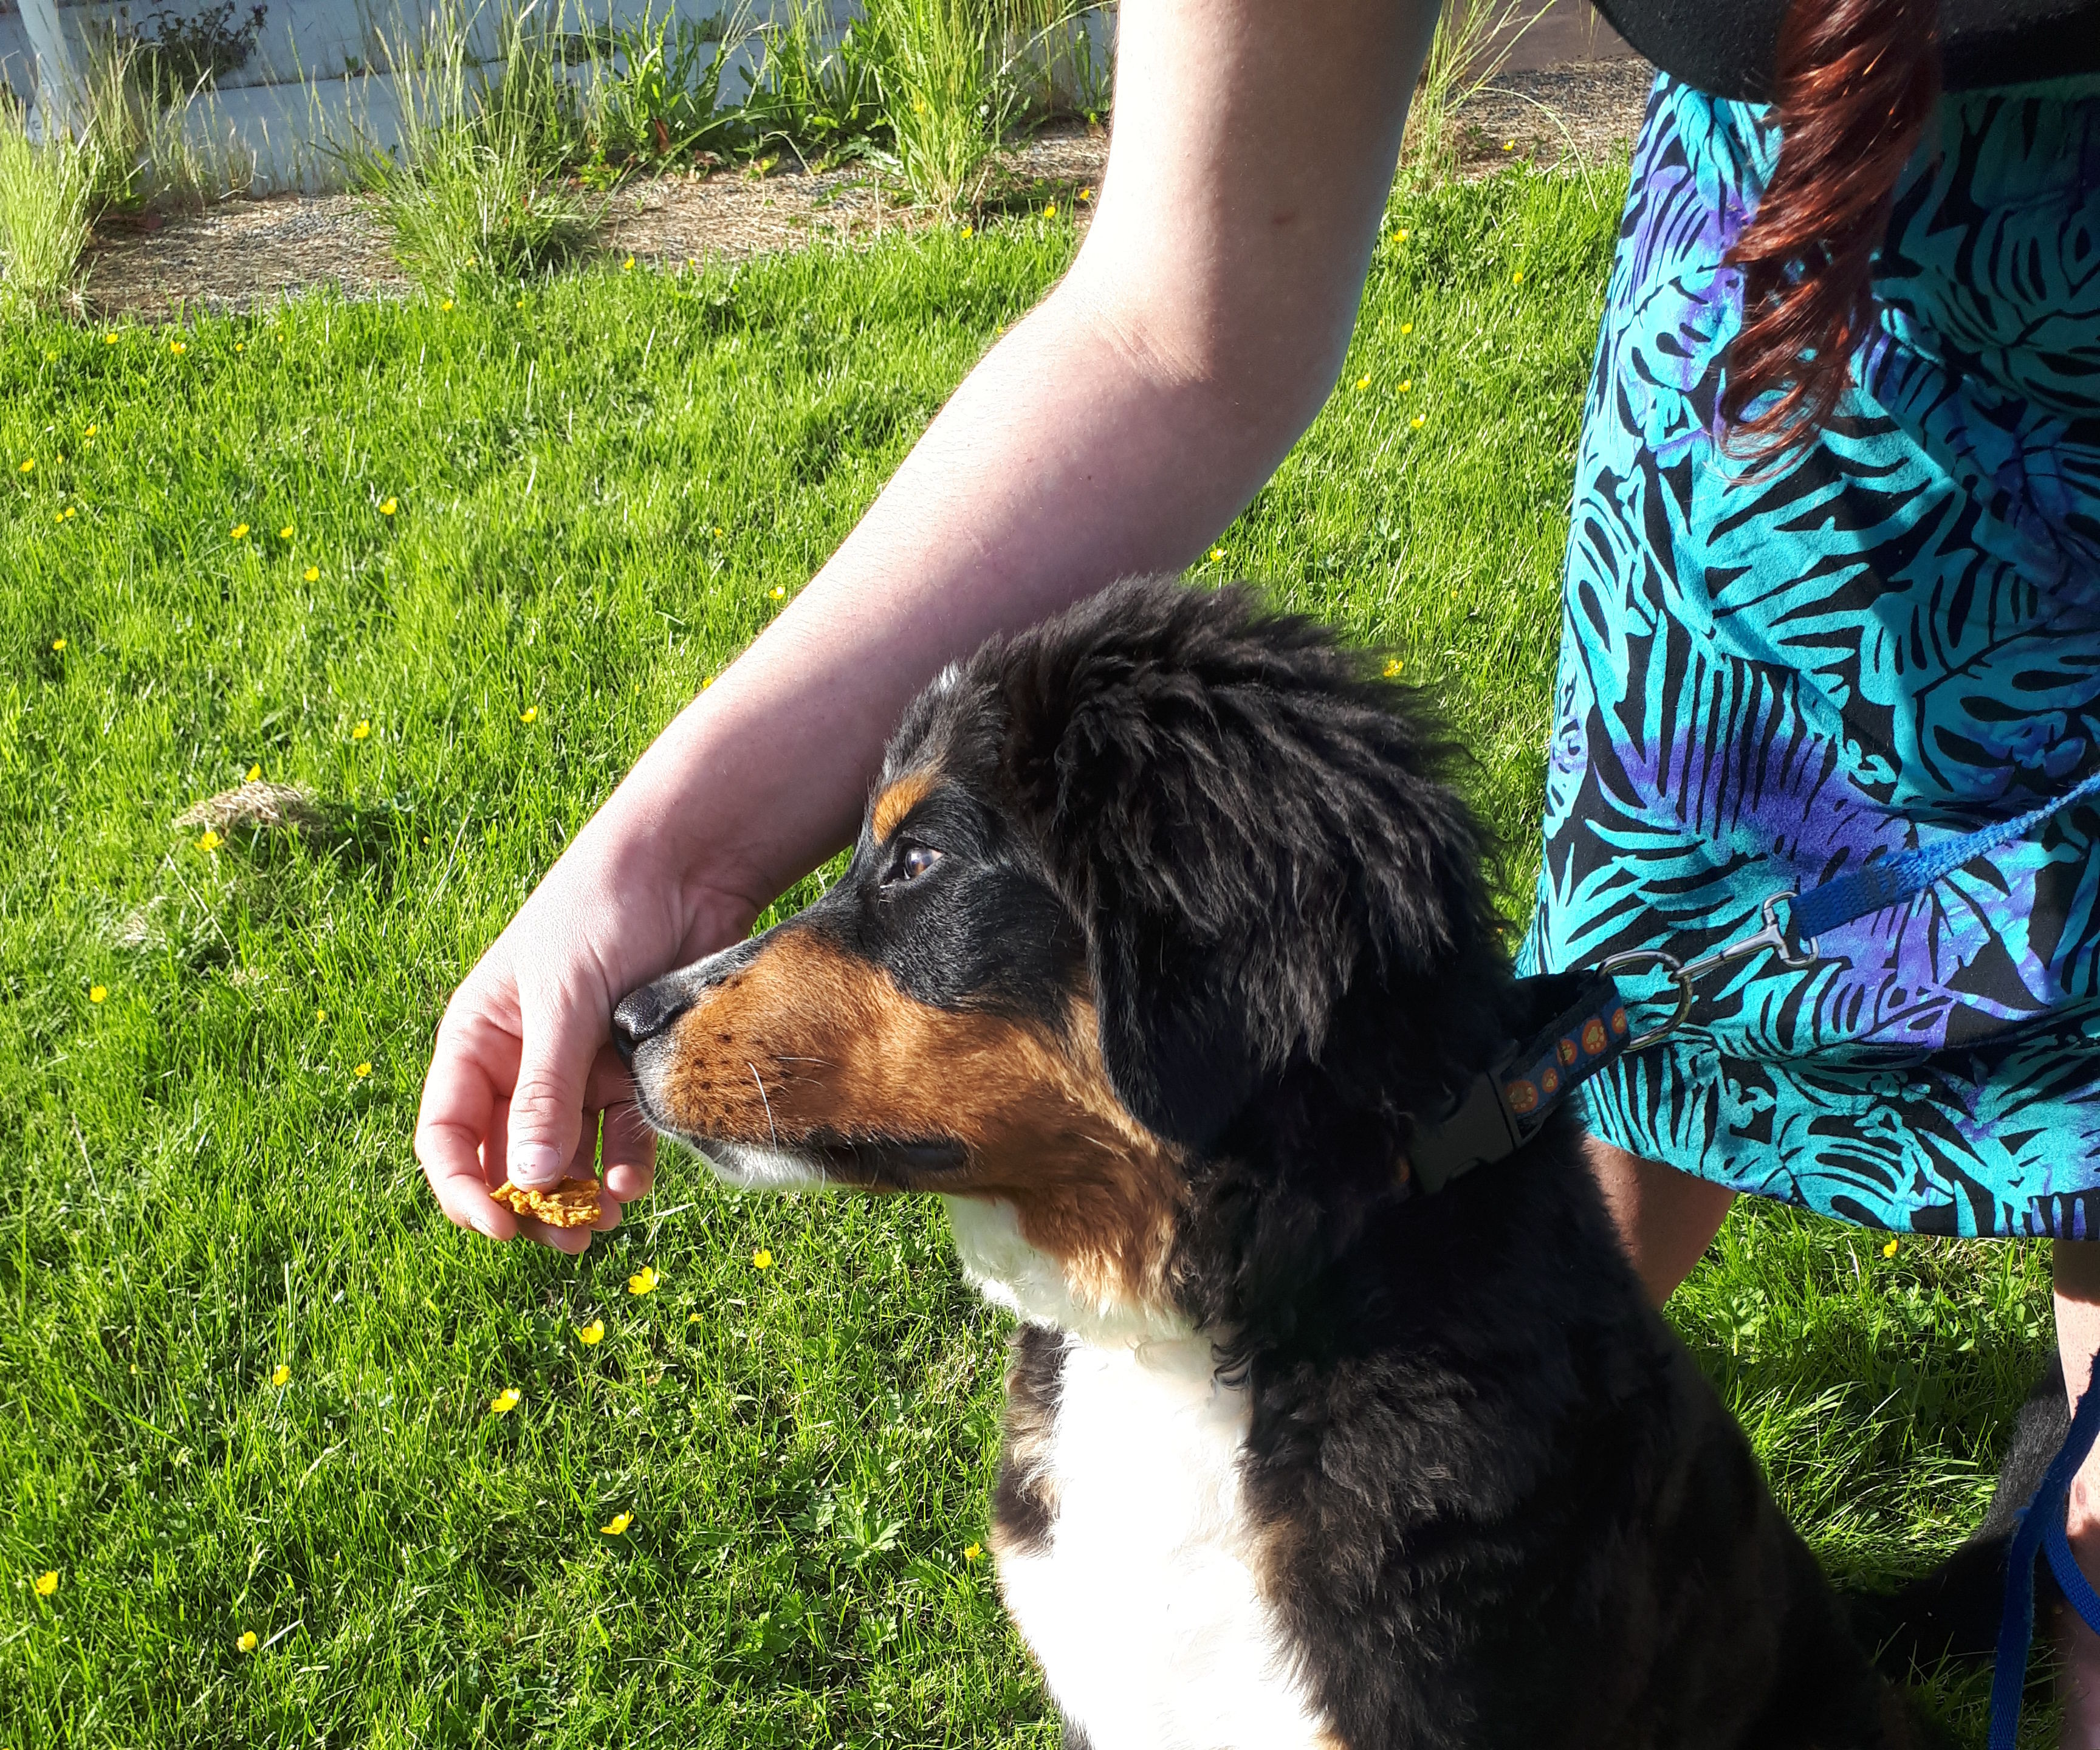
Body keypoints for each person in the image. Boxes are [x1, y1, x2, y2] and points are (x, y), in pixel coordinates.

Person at [416, 0, 2100, 1732]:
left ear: (1202, 974)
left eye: (912, 881)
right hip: (1763, 442)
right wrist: (669, 854)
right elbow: (1171, 320)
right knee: (1610, 1143)